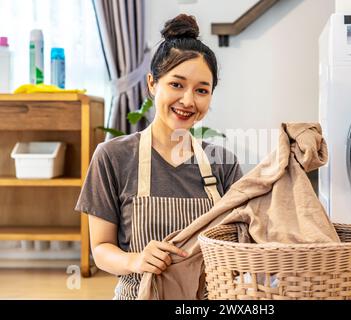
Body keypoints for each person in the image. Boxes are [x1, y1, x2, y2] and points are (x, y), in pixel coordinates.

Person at [75, 14, 243, 300]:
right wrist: (136, 260)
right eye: (177, 85)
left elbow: (241, 245)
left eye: (201, 90)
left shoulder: (223, 163)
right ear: (152, 84)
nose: (188, 100)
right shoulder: (112, 157)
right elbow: (101, 249)